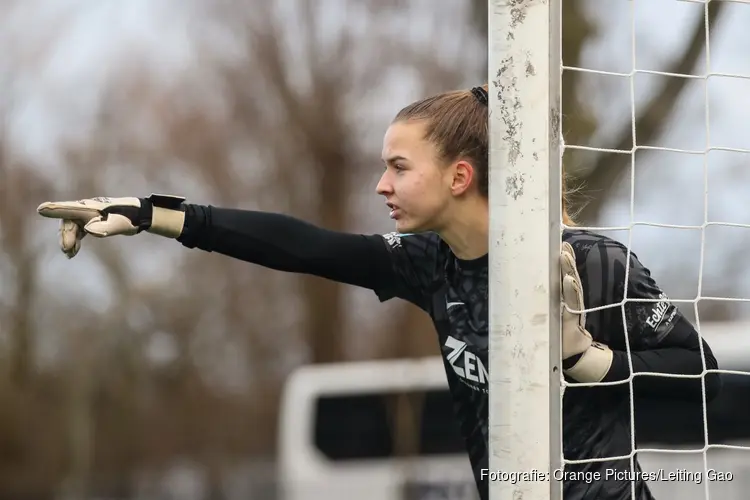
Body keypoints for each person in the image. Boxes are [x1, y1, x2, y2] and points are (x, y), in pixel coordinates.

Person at [37, 84, 721, 500]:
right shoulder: (431, 265)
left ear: (458, 176)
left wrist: (587, 361)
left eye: (398, 166)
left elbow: (705, 385)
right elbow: (302, 245)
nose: (380, 185)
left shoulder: (594, 265)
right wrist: (153, 213)